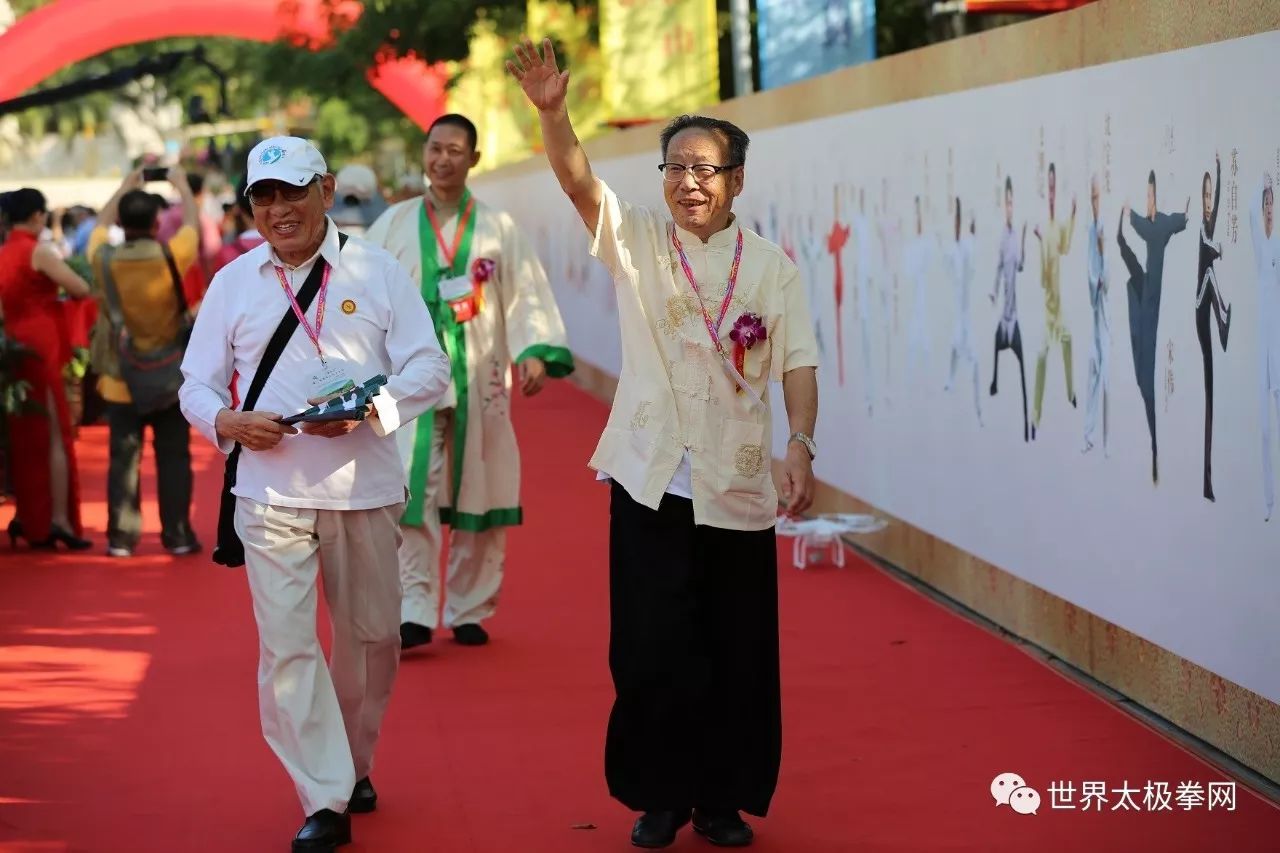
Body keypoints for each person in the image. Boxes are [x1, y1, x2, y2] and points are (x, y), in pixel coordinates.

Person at [510, 37, 819, 849]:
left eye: (705, 168)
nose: (688, 181)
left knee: (734, 652)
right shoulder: (640, 242)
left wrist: (803, 446)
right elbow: (578, 182)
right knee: (650, 650)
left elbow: (798, 363)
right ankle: (659, 796)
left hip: (741, 487)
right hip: (651, 480)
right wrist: (554, 113)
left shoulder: (775, 269)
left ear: (736, 180)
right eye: (676, 166)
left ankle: (721, 800)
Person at [179, 136, 451, 853]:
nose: (278, 209)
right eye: (262, 197)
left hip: (364, 487)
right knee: (289, 647)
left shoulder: (377, 268)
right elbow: (196, 384)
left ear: (326, 191)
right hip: (270, 493)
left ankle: (355, 763)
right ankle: (324, 795)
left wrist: (373, 409)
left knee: (372, 641)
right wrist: (224, 419)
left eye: (292, 191)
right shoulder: (233, 282)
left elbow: (432, 366)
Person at [366, 113, 574, 649]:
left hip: (479, 375)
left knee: (480, 487)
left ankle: (469, 608)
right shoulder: (391, 224)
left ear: (473, 159)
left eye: (455, 150)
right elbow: (360, 295)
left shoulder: (498, 228)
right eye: (435, 148)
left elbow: (526, 295)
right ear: (424, 152)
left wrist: (531, 351)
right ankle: (412, 608)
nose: (442, 159)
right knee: (411, 490)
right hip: (410, 380)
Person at [88, 167, 202, 557]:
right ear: (157, 223)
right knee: (173, 456)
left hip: (122, 377)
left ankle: (121, 536)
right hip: (169, 377)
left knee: (124, 457)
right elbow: (192, 223)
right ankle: (179, 534)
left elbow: (99, 226)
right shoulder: (173, 254)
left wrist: (124, 186)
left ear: (121, 221)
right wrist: (182, 186)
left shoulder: (104, 258)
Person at [0, 188, 93, 550]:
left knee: (23, 436)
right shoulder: (38, 251)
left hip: (14, 343)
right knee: (54, 433)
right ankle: (57, 520)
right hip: (41, 345)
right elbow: (80, 287)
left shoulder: (5, 251)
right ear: (38, 216)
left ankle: (30, 517)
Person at [1118, 170, 1188, 484]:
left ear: (1156, 197)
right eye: (1146, 195)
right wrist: (1126, 216)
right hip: (1147, 299)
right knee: (1143, 378)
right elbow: (1137, 222)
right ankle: (1154, 446)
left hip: (1153, 304)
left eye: (1151, 195)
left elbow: (1177, 220)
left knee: (1147, 379)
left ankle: (1156, 447)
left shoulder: (1159, 224)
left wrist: (1185, 214)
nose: (1149, 200)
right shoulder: (1149, 225)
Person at [1031, 163, 1077, 440]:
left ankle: (1072, 393)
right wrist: (1039, 242)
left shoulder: (1057, 225)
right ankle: (1035, 415)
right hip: (1048, 310)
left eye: (1053, 186)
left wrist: (1072, 213)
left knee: (1069, 341)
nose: (1051, 192)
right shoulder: (1044, 229)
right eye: (1048, 187)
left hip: (1058, 308)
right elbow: (1042, 279)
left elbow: (1066, 246)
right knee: (1040, 356)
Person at [1196, 154, 1231, 500]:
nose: (1208, 202)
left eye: (1209, 197)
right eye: (1204, 196)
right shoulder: (1201, 230)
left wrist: (1220, 171)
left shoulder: (1211, 219)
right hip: (1200, 311)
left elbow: (1221, 200)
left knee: (1211, 393)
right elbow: (1208, 247)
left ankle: (1207, 480)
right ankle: (1223, 319)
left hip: (1210, 307)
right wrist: (1217, 251)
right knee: (1208, 272)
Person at [989, 176, 1029, 441]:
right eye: (1007, 203)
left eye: (1012, 202)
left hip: (1014, 319)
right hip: (1005, 317)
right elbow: (998, 268)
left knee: (1023, 367)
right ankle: (994, 382)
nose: (1010, 208)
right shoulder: (1003, 238)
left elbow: (1022, 266)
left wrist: (1025, 239)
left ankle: (1027, 425)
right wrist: (993, 291)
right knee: (996, 346)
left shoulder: (1015, 238)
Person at [1250, 174, 1280, 521]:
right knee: (1264, 431)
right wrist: (1262, 185)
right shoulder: (1261, 247)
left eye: (1273, 203)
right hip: (1263, 352)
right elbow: (1247, 214)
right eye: (1266, 204)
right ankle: (1269, 500)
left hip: (1278, 347)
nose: (1269, 209)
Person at [943, 198, 981, 426]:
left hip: (966, 315)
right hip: (959, 314)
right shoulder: (953, 251)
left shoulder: (967, 247)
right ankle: (950, 380)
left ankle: (977, 410)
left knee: (971, 359)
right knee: (955, 346)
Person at [1083, 176, 1111, 456]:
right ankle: (1088, 435)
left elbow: (1109, 276)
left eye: (1097, 197)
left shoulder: (1104, 229)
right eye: (1092, 197)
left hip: (1106, 317)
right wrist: (1097, 281)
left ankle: (1106, 442)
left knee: (1107, 381)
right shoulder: (1090, 231)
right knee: (1093, 374)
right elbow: (1090, 276)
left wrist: (1103, 256)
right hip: (1095, 314)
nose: (1095, 202)